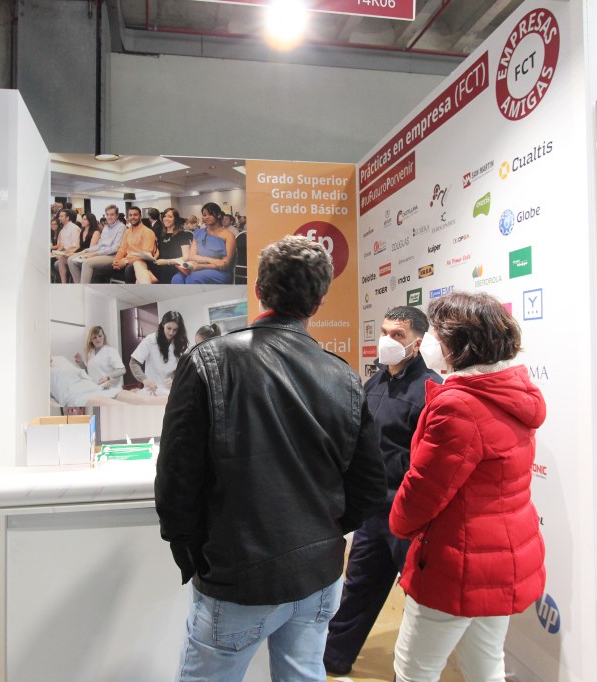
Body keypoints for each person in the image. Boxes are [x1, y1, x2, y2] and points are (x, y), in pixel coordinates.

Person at [155, 235, 386, 682]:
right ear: (319, 302)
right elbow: (369, 489)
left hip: (237, 575)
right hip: (317, 576)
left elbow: (175, 484)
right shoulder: (344, 376)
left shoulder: (208, 361)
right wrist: (319, 535)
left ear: (258, 289)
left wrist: (195, 556)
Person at [389, 291, 547, 682]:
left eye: (437, 334)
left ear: (460, 344)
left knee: (415, 669)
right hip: (503, 557)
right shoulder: (512, 392)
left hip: (458, 560)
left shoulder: (459, 405)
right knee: (485, 663)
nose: (430, 342)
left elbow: (424, 489)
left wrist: (398, 525)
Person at [323, 306, 442, 677]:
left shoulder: (432, 390)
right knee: (358, 588)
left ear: (417, 344)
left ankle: (412, 672)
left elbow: (431, 463)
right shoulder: (373, 384)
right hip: (373, 513)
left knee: (420, 601)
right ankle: (333, 658)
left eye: (398, 335)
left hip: (410, 517)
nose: (387, 340)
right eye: (385, 332)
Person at [171, 202, 235, 284]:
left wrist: (201, 266)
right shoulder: (198, 233)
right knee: (176, 278)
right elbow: (192, 256)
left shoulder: (228, 235)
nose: (207, 217)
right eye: (204, 215)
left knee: (193, 278)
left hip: (219, 271)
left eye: (210, 214)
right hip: (197, 267)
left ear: (219, 215)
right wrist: (212, 260)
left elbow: (224, 264)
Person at [129, 310, 187, 396]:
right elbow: (134, 363)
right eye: (169, 328)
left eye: (175, 330)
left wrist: (175, 379)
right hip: (152, 389)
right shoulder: (150, 340)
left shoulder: (180, 343)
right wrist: (144, 379)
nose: (171, 333)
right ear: (163, 325)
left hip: (171, 389)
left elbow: (181, 368)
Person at [68, 204, 126, 283]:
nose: (109, 217)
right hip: (101, 253)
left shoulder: (121, 227)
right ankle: (78, 286)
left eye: (112, 214)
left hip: (112, 256)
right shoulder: (106, 228)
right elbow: (99, 246)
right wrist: (86, 250)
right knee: (71, 260)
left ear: (117, 215)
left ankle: (84, 288)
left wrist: (95, 254)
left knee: (87, 262)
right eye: (107, 214)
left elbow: (115, 248)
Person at [111, 206, 159, 284]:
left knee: (129, 269)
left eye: (135, 215)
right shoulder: (127, 232)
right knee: (107, 267)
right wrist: (116, 261)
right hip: (127, 260)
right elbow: (122, 249)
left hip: (142, 262)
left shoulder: (147, 232)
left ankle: (131, 292)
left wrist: (126, 262)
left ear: (140, 216)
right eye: (130, 215)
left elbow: (146, 255)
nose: (132, 217)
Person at [147, 207, 193, 284]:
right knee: (139, 278)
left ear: (175, 219)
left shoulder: (182, 235)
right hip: (160, 266)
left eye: (170, 217)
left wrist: (167, 262)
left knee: (143, 281)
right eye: (164, 216)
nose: (166, 219)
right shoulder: (161, 235)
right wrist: (151, 257)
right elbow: (159, 253)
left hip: (174, 267)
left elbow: (186, 257)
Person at [73, 326, 125, 391]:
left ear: (104, 337)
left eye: (100, 336)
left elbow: (122, 370)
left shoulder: (111, 351)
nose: (97, 339)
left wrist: (108, 377)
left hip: (111, 389)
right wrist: (81, 362)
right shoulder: (90, 353)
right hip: (96, 389)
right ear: (91, 340)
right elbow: (89, 372)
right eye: (94, 337)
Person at [53, 208, 81, 283]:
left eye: (61, 216)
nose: (59, 218)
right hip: (66, 253)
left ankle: (64, 283)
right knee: (53, 259)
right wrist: (55, 253)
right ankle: (62, 283)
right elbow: (62, 245)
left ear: (67, 218)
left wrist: (64, 253)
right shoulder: (63, 230)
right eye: (59, 216)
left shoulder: (74, 228)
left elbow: (75, 246)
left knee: (58, 262)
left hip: (74, 252)